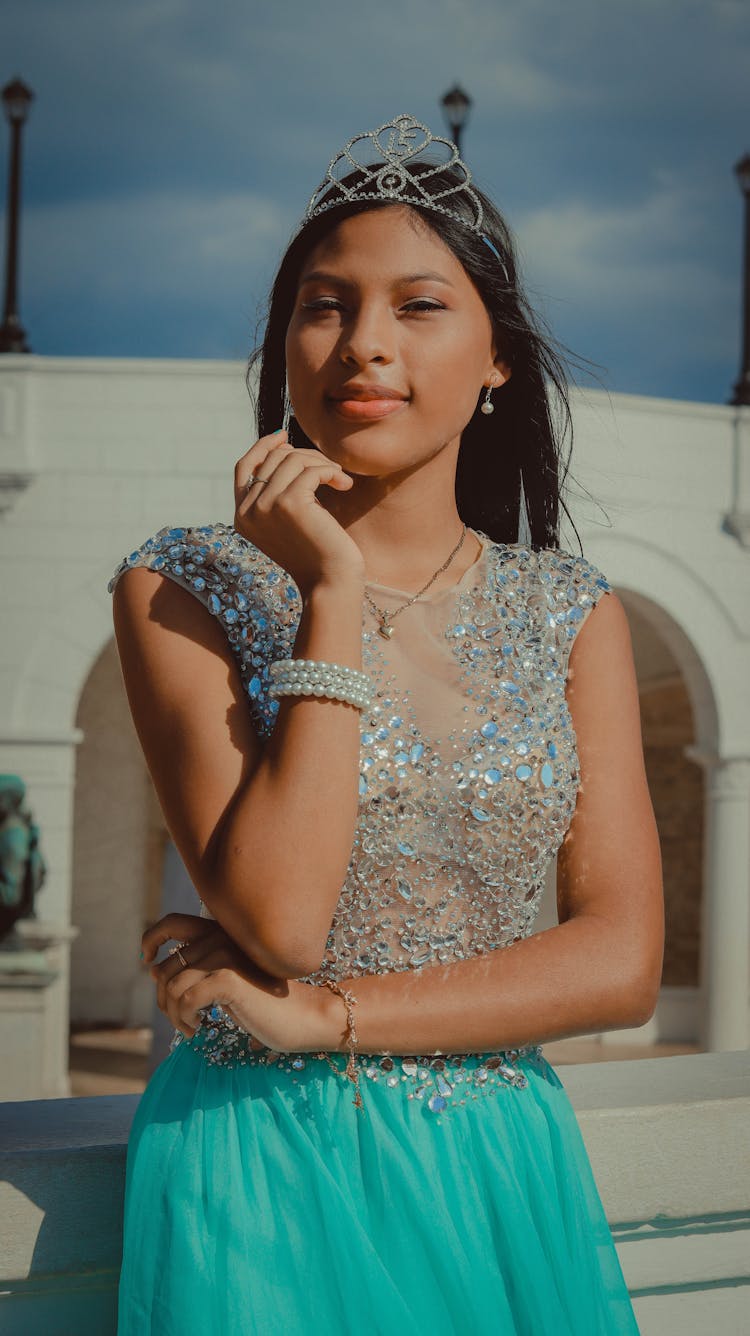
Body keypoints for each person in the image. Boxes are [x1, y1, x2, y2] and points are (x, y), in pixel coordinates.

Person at [109, 112, 663, 1334]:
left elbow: (620, 958)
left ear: (498, 356)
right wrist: (332, 591)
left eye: (418, 306)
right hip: (261, 1162)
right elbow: (281, 917)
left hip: (497, 1167)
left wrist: (333, 1021)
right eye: (323, 305)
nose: (364, 345)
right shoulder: (180, 588)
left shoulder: (571, 611)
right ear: (285, 341)